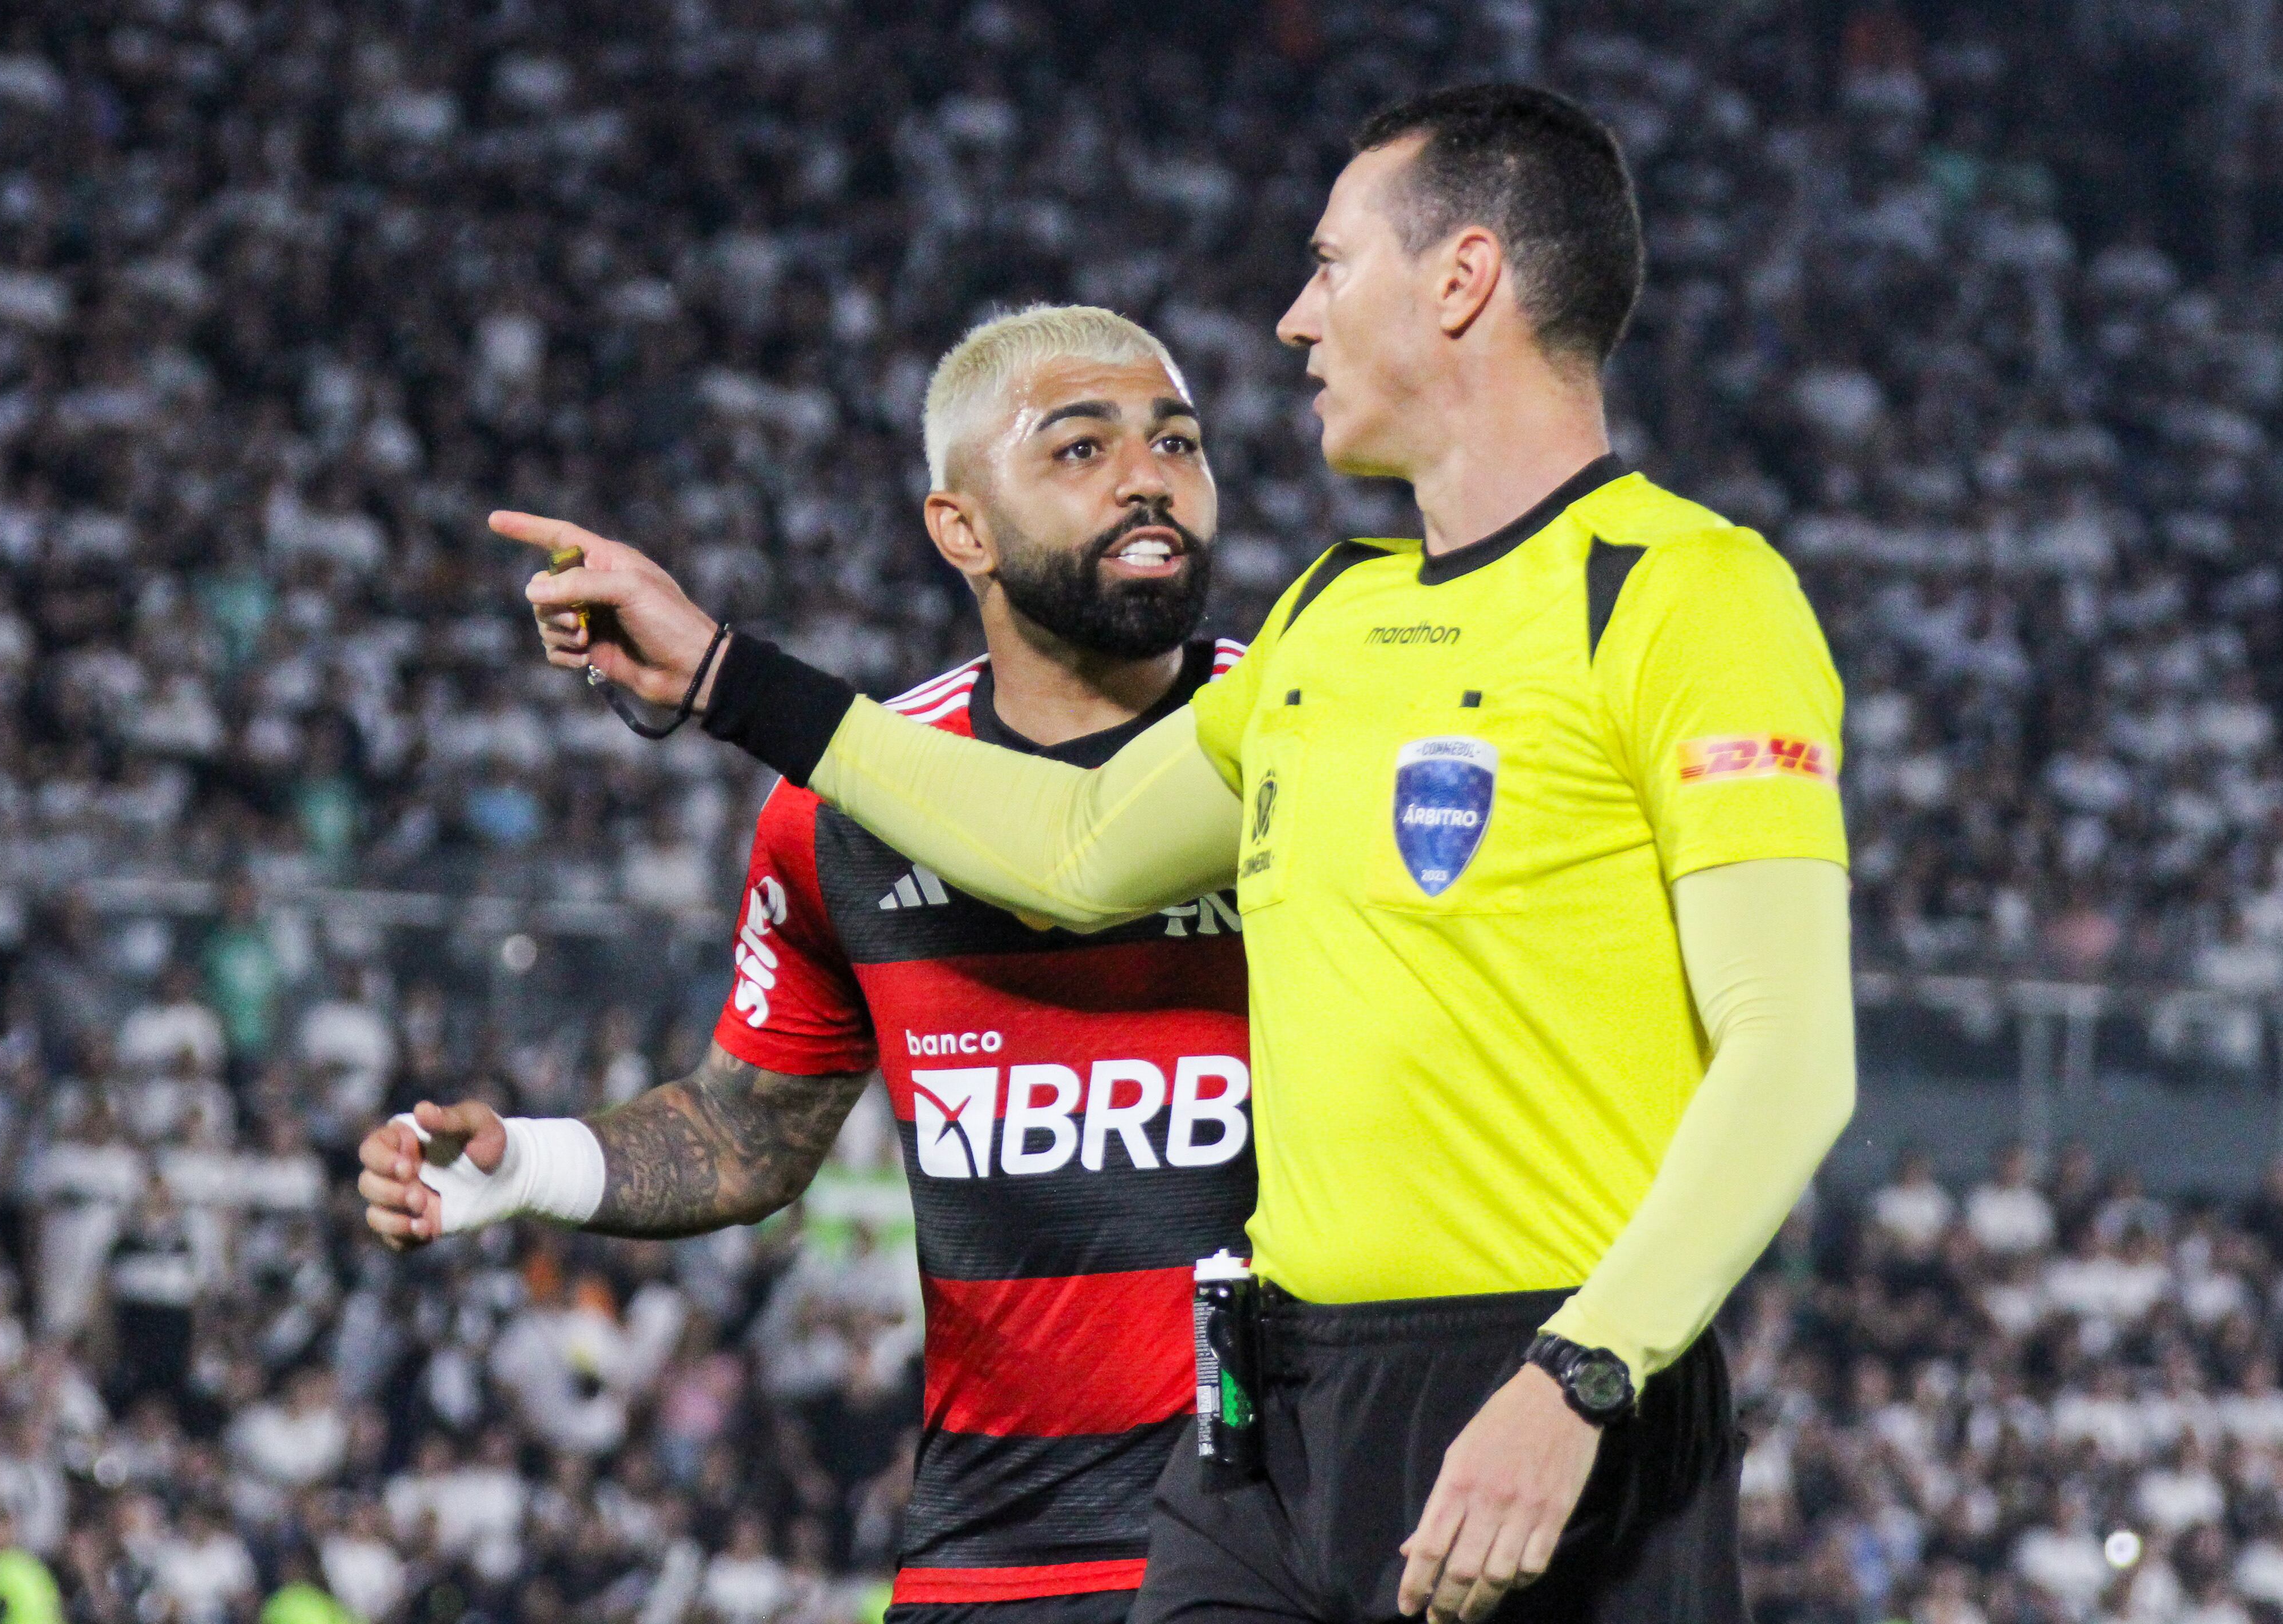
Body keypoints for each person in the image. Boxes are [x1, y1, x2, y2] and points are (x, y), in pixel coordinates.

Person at [503, 86, 1855, 1624]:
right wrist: (726, 678)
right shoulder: (1330, 619)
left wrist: (1578, 1376)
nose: (1292, 320)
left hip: (1542, 1393)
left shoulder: (1688, 598)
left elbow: (1790, 1057)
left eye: (1330, 266)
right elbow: (1075, 845)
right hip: (1273, 1417)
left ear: (1462, 281)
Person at [362, 308, 1259, 1624]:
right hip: (994, 1552)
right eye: (1078, 448)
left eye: (1176, 440)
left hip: (1293, 1539)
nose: (1147, 475)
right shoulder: (838, 811)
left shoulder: (1306, 739)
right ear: (959, 530)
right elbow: (747, 1132)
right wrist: (526, 1169)